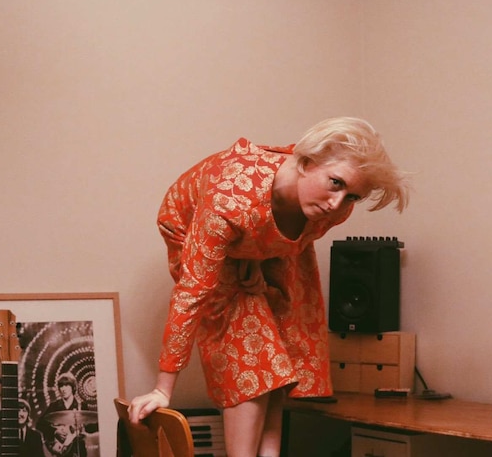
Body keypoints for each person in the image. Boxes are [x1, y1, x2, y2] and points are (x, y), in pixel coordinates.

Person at [127, 117, 409, 456]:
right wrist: (162, 389)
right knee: (250, 346)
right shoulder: (228, 200)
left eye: (352, 196)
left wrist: (256, 258)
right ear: (306, 163)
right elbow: (192, 292)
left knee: (285, 338)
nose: (337, 204)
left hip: (250, 238)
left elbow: (284, 240)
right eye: (335, 183)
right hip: (190, 227)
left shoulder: (332, 209)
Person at [42, 373, 89, 457]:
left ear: (73, 387)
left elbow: (91, 427)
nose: (63, 389)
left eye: (67, 385)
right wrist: (55, 431)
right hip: (61, 450)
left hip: (77, 449)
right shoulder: (54, 406)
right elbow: (40, 424)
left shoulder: (82, 405)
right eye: (61, 386)